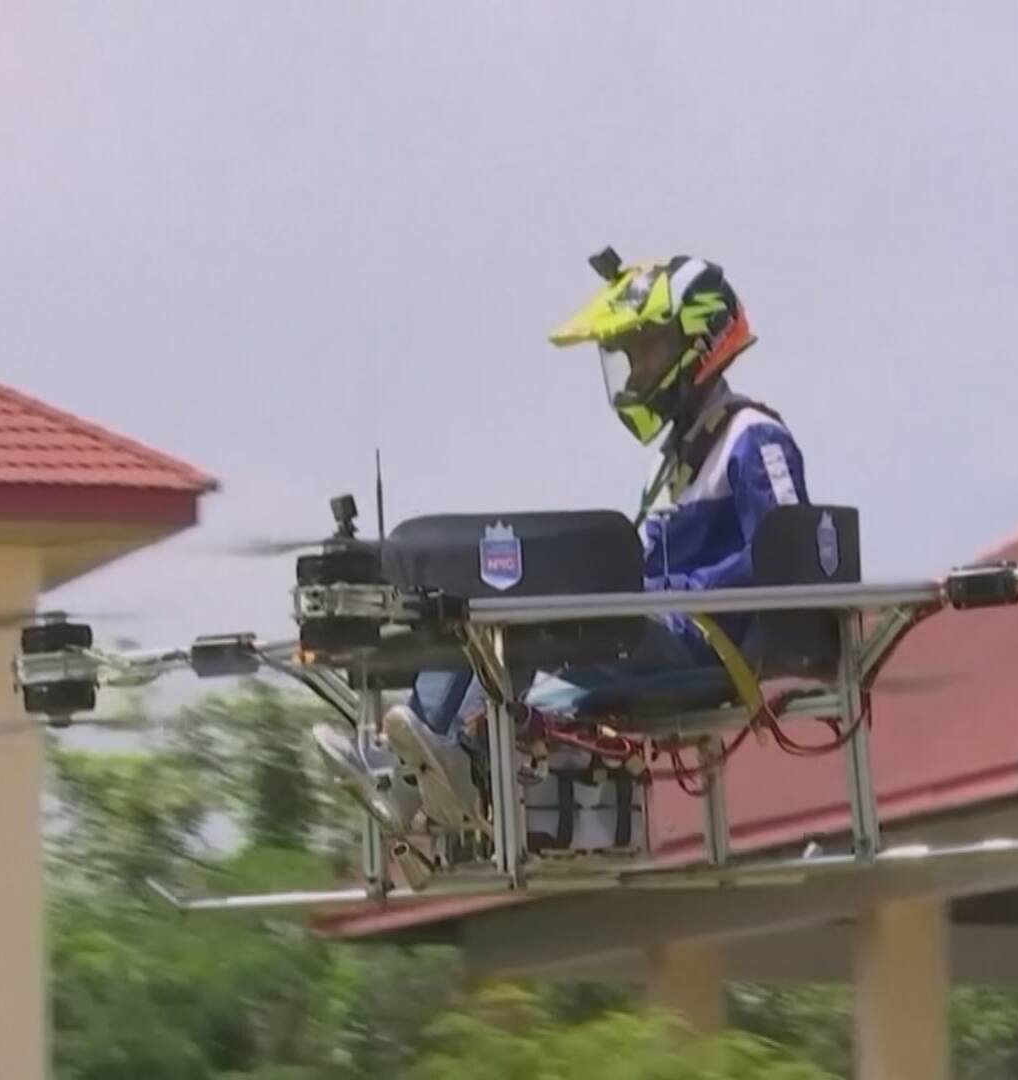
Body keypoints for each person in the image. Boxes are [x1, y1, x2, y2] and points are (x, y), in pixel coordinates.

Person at [315, 250, 808, 835]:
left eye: (644, 349)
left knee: (539, 620)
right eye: (627, 356)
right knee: (488, 605)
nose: (634, 373)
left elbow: (791, 557)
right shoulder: (679, 456)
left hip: (705, 645)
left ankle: (445, 758)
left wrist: (674, 589)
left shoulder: (756, 438)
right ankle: (414, 773)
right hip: (657, 626)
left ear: (699, 340)